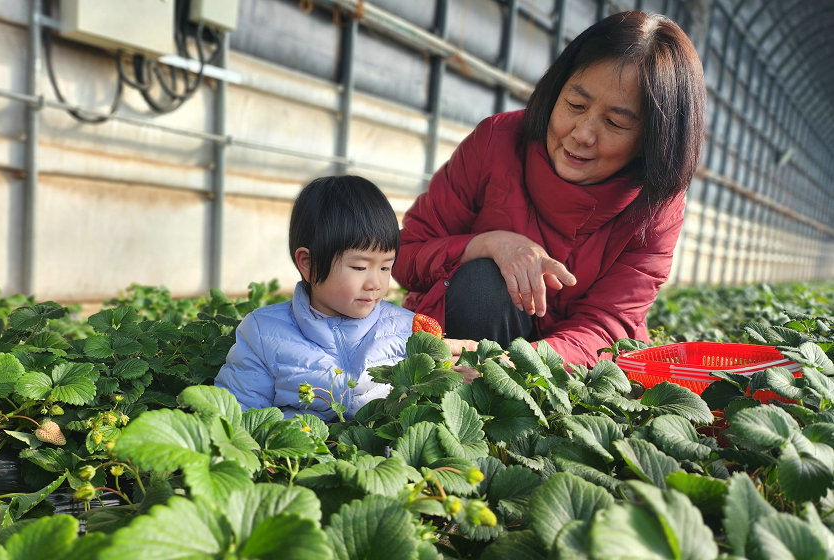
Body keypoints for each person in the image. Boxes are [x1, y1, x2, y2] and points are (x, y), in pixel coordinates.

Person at [392, 11, 706, 368]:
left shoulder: (656, 209)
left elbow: (607, 323)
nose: (582, 134)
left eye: (615, 122)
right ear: (557, 90)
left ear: (652, 141)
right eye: (575, 105)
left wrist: (520, 365)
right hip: (462, 345)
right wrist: (487, 243)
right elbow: (405, 258)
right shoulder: (497, 142)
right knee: (482, 285)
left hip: (562, 365)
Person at [215, 175, 474, 421]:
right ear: (309, 264)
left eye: (385, 267)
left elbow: (428, 404)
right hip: (303, 461)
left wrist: (453, 376)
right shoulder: (263, 333)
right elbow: (240, 418)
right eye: (360, 267)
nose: (375, 283)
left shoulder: (409, 330)